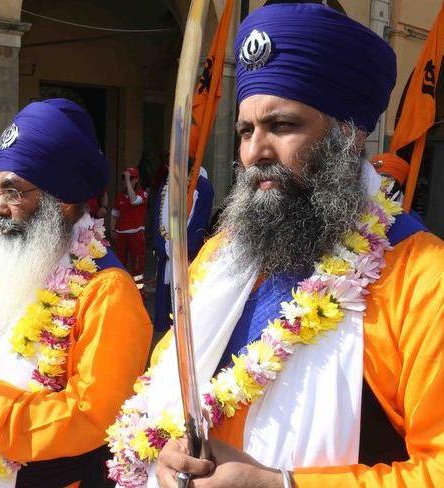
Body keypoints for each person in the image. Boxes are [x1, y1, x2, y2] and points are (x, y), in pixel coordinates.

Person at [105, 3, 444, 487]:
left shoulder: (424, 278)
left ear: (348, 138)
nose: (254, 153)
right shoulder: (220, 254)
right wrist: (166, 453)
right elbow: (169, 383)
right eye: (246, 130)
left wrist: (280, 484)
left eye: (282, 126)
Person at [0, 98, 153, 487]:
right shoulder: (5, 272)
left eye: (14, 192)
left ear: (66, 202)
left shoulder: (108, 292)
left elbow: (93, 417)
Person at [148, 166, 214, 333]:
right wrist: (165, 245)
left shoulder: (203, 187)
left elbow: (199, 222)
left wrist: (183, 247)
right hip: (166, 249)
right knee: (165, 297)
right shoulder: (167, 186)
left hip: (187, 255)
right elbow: (158, 216)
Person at [112, 167, 149, 276]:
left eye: (131, 178)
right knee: (120, 265)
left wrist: (128, 181)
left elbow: (134, 201)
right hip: (121, 234)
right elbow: (114, 214)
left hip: (136, 234)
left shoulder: (143, 194)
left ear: (137, 179)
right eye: (125, 178)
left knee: (137, 265)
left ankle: (139, 291)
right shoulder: (120, 197)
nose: (127, 180)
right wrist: (112, 229)